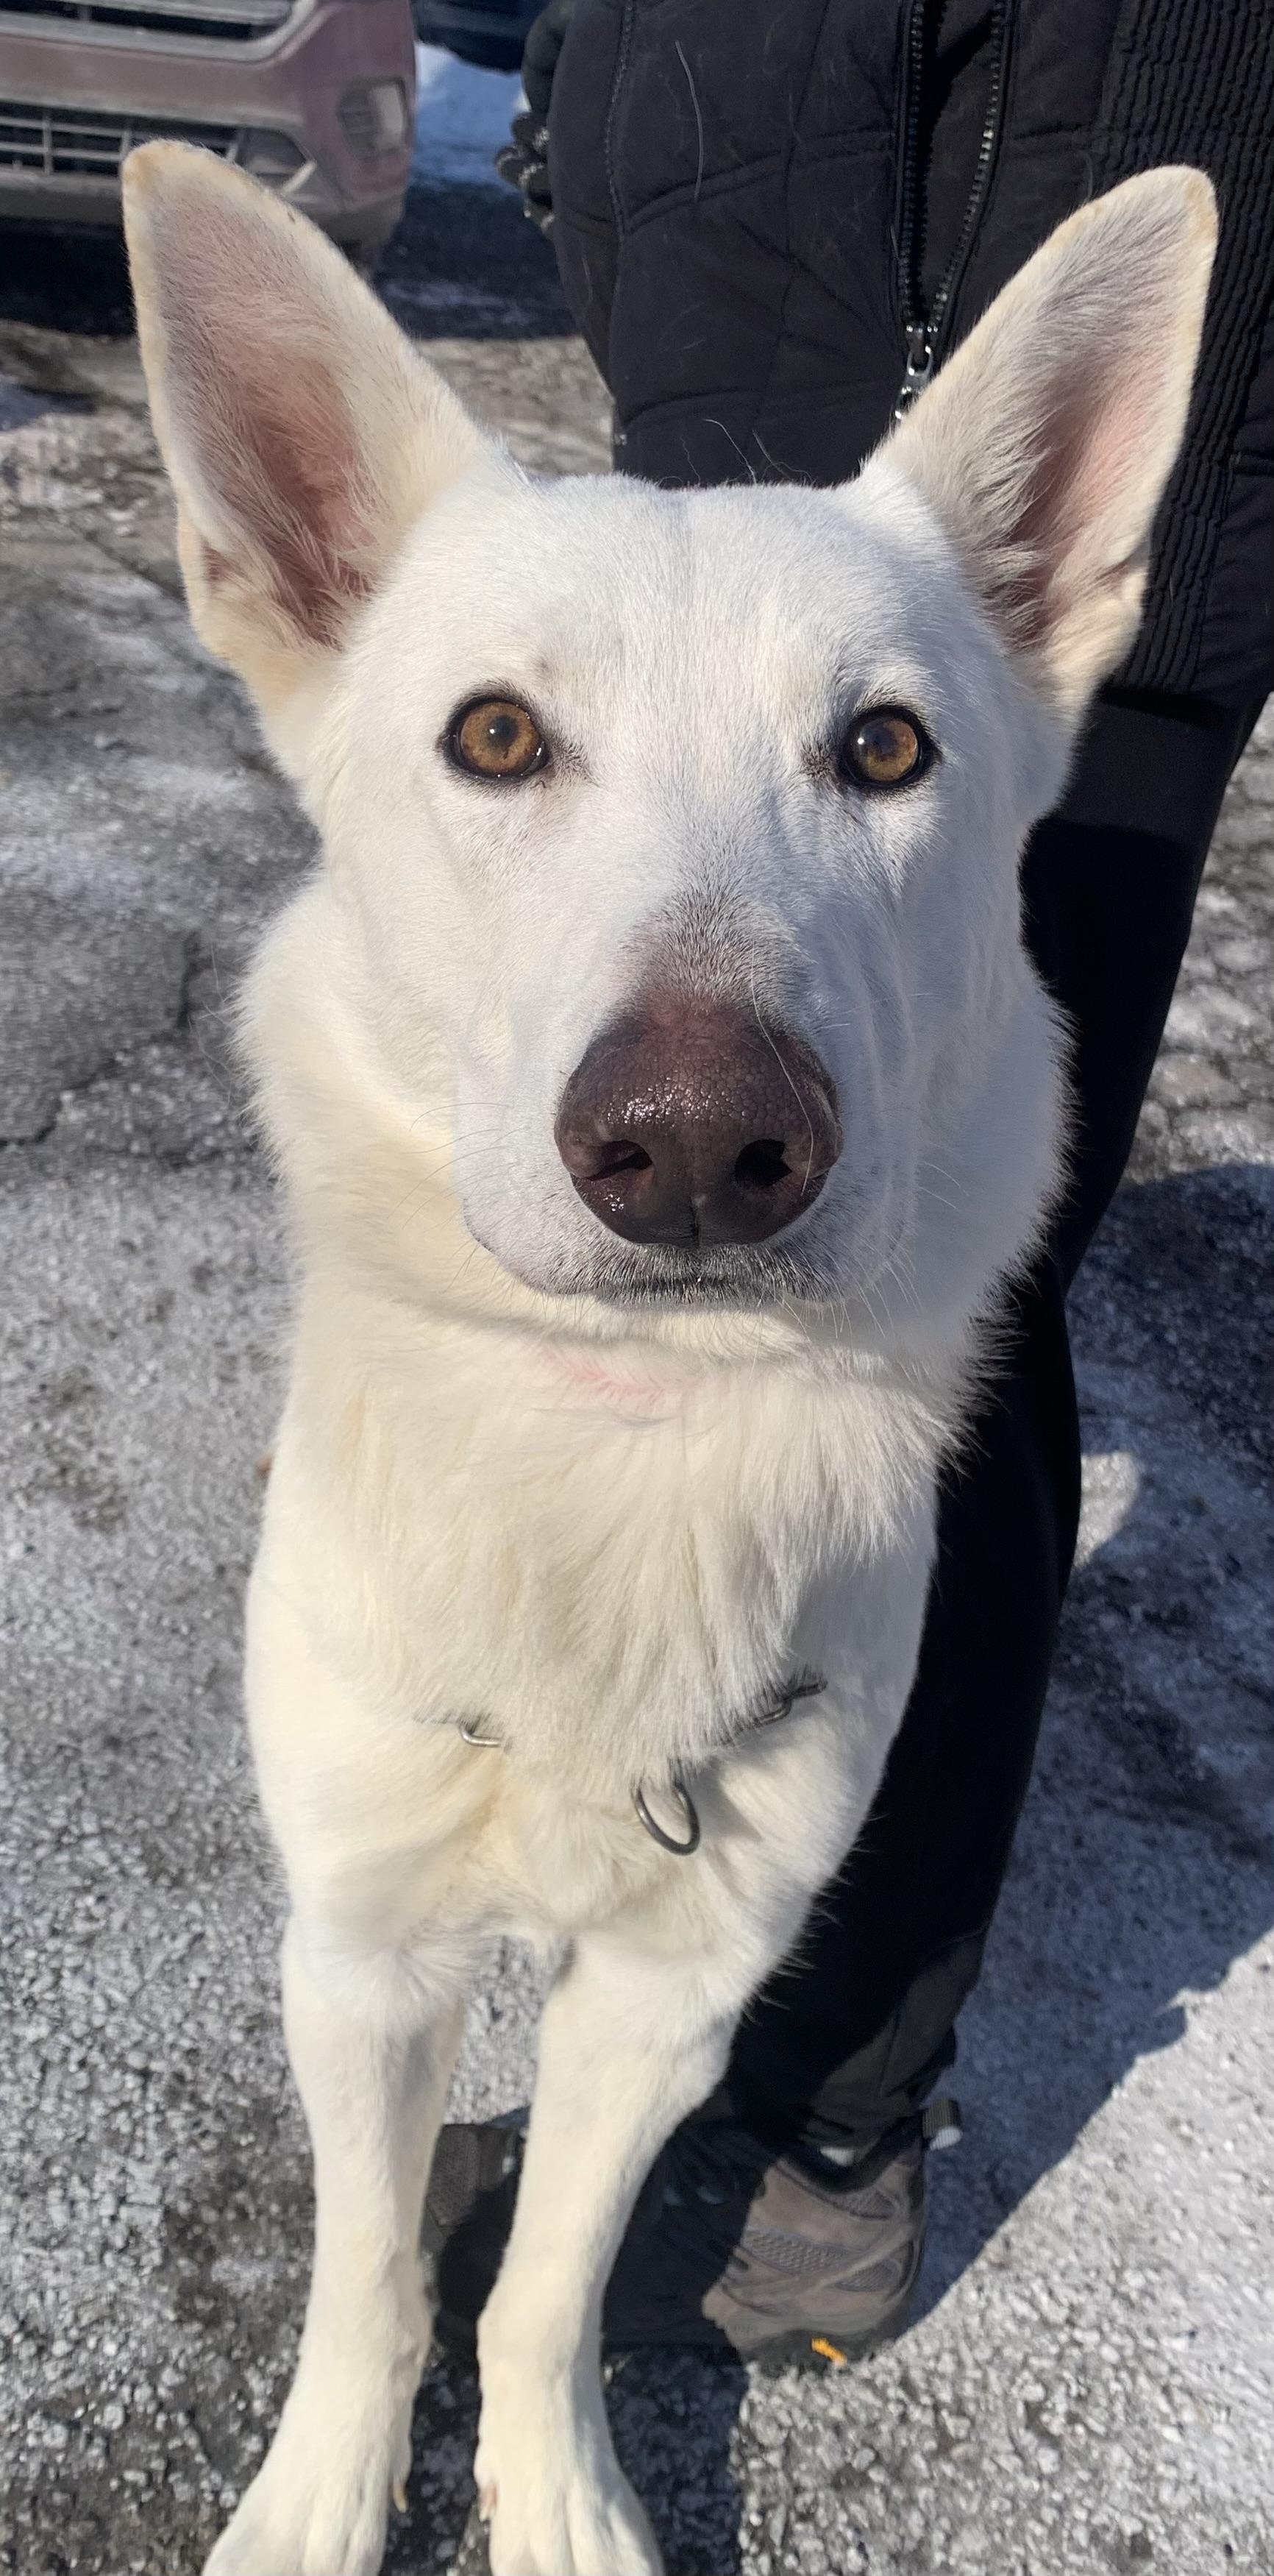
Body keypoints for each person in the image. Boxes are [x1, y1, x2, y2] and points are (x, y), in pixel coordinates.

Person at [424, 0, 1274, 2365]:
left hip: (980, 576)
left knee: (937, 1323)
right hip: (729, 519)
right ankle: (652, 1899)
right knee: (678, 1322)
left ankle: (816, 2125)